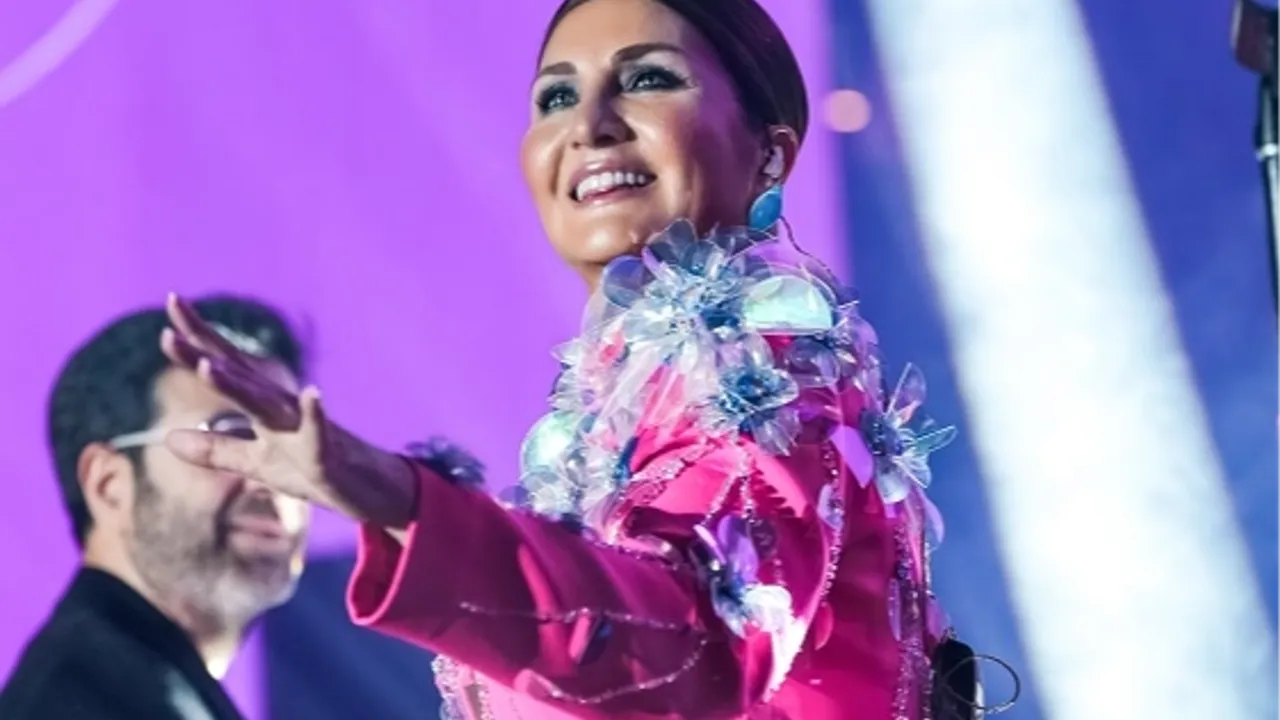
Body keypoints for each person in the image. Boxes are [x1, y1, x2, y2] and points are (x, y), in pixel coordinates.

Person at [156, 0, 980, 717]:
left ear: (769, 153)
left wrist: (401, 500)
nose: (589, 125)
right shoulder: (620, 407)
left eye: (648, 79)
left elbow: (699, 641)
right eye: (556, 97)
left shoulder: (772, 372)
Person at [0, 296, 310, 720]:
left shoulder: (144, 684)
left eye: (292, 449)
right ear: (109, 484)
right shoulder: (80, 702)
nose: (272, 479)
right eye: (232, 437)